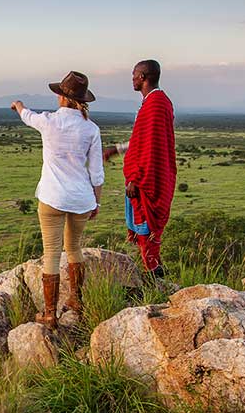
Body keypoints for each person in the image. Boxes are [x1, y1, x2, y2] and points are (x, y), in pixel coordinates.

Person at [10, 70, 104, 329]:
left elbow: (27, 116)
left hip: (52, 197)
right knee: (73, 248)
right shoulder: (91, 129)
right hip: (81, 199)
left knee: (51, 254)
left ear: (61, 97)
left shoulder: (49, 121)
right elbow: (97, 172)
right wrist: (96, 202)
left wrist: (18, 105)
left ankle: (50, 314)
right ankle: (76, 300)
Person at [103, 60, 176, 277]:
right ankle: (154, 271)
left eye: (134, 74)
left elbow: (150, 146)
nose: (132, 79)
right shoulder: (157, 102)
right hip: (149, 174)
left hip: (146, 178)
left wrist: (136, 177)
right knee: (144, 231)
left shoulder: (154, 104)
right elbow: (141, 140)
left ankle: (154, 277)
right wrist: (117, 149)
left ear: (143, 77)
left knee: (146, 229)